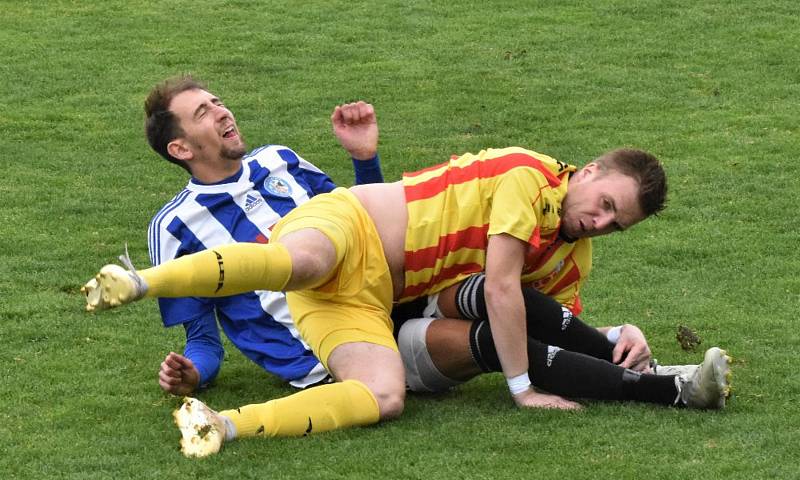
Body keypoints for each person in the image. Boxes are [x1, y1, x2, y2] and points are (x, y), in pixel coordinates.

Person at [83, 133, 726, 458]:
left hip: (372, 304)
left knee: (385, 398)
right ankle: (138, 281)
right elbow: (501, 285)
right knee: (302, 260)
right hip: (346, 228)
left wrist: (613, 338)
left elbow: (539, 319)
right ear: (586, 173)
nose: (603, 222)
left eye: (620, 224)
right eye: (606, 203)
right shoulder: (528, 178)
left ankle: (220, 425)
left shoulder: (569, 250)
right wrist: (522, 389)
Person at [135, 75, 383, 396]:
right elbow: (203, 340)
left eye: (218, 103)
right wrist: (194, 374)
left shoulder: (280, 160)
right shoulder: (175, 226)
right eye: (202, 113)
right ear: (180, 148)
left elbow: (365, 227)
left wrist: (364, 159)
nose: (222, 112)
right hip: (325, 356)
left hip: (382, 304)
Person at [395, 274, 730, 407]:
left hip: (403, 300)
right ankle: (677, 392)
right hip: (382, 343)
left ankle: (646, 368)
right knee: (494, 340)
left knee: (500, 292)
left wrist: (614, 334)